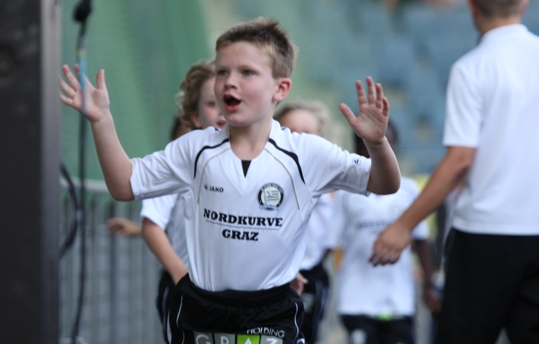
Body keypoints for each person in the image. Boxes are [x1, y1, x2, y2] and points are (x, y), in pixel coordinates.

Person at [60, 17, 401, 344]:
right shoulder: (194, 149)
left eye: (246, 72)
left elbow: (385, 183)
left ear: (280, 88)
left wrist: (376, 143)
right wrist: (102, 120)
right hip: (201, 311)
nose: (229, 82)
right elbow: (124, 185)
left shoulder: (307, 153)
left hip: (272, 316)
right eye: (223, 71)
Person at [371, 0, 539, 344]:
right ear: (524, 3)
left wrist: (403, 225)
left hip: (487, 234)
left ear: (471, 6)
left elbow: (461, 158)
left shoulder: (472, 68)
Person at [106, 60, 225, 344]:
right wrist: (181, 276)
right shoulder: (181, 161)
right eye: (212, 103)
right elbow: (153, 223)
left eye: (230, 100)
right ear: (194, 117)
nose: (223, 110)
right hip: (189, 290)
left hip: (242, 300)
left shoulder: (265, 164)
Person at [332, 122, 439, 344]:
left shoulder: (409, 190)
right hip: (356, 301)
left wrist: (429, 285)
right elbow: (330, 242)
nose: (382, 151)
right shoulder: (345, 193)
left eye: (388, 144)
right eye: (373, 145)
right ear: (359, 148)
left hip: (398, 301)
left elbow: (421, 241)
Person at [274, 99, 335, 344]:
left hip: (310, 277)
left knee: (306, 336)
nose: (299, 139)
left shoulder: (332, 182)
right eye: (291, 131)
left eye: (308, 133)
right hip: (269, 276)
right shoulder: (264, 177)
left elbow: (331, 234)